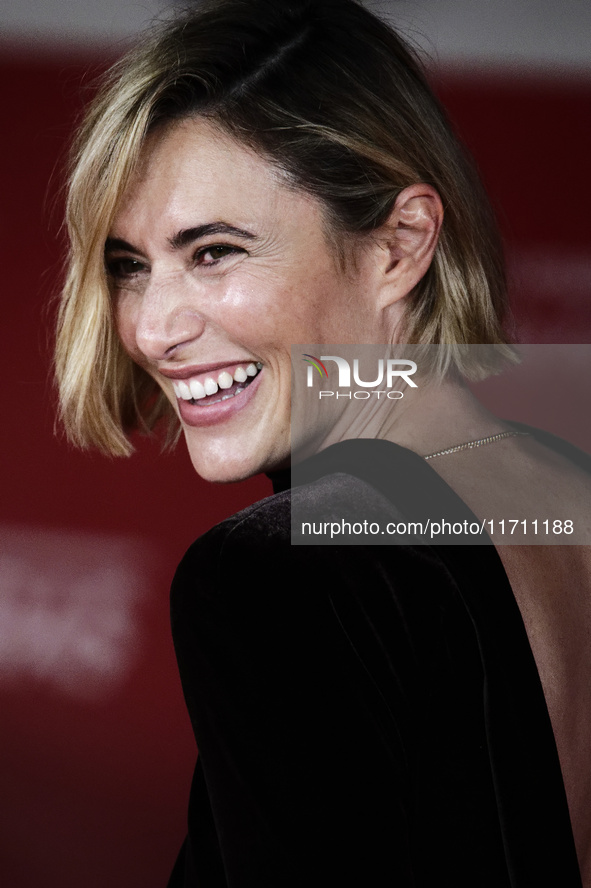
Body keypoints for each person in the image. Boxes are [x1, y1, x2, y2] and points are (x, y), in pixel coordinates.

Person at [54, 0, 591, 885]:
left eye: (216, 251)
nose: (151, 328)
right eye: (129, 265)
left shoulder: (282, 573)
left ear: (399, 244)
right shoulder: (566, 475)